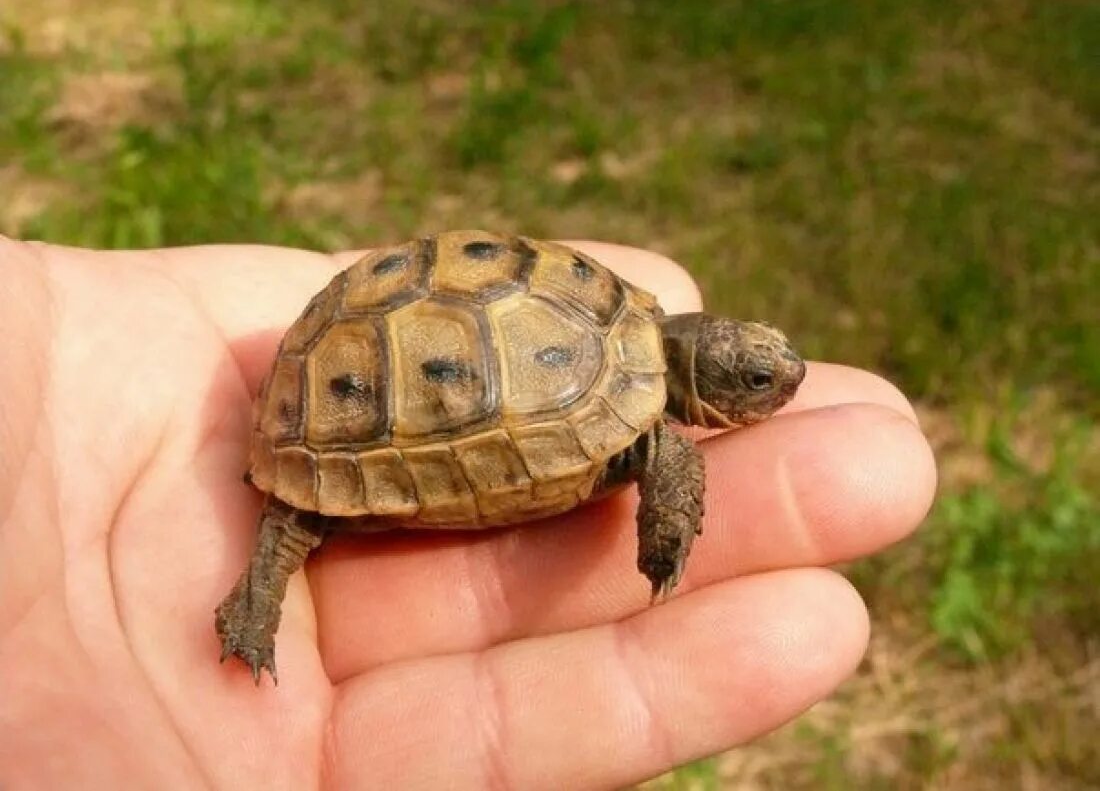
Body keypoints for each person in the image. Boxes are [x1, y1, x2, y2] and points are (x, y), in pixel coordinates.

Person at [0, 235, 935, 789]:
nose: (777, 385)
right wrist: (667, 525)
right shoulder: (658, 429)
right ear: (708, 382)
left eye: (767, 373)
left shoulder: (619, 314)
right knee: (306, 513)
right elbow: (661, 454)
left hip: (382, 368)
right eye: (762, 382)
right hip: (355, 410)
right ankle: (266, 572)